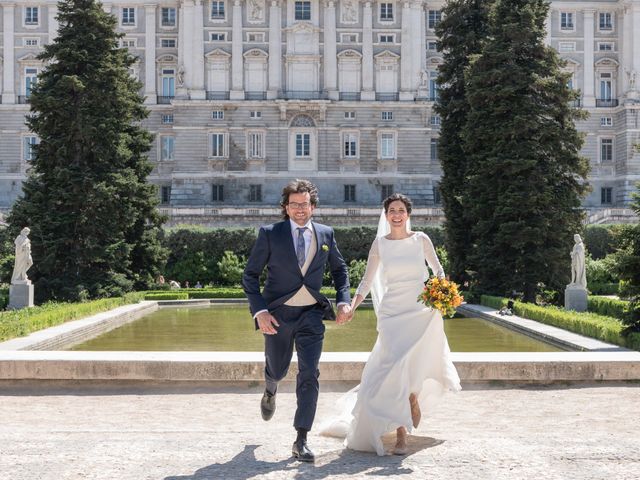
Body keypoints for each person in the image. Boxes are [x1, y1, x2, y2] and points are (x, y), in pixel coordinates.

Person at [320, 193, 461, 456]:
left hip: (420, 310)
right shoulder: (380, 244)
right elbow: (366, 279)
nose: (396, 214)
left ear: (408, 214)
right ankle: (404, 416)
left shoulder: (422, 240)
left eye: (401, 210)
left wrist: (441, 294)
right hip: (392, 313)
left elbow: (438, 271)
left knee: (411, 363)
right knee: (393, 365)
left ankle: (406, 416)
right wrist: (352, 305)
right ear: (386, 215)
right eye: (392, 210)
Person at [242, 179, 351, 463]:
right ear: (285, 207)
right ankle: (270, 388)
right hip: (278, 315)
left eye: (305, 204)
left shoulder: (326, 234)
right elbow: (249, 276)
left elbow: (341, 271)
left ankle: (301, 438)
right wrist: (260, 311)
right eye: (294, 205)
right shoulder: (270, 234)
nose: (300, 209)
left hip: (311, 315)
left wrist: (343, 300)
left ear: (313, 207)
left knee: (309, 374)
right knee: (277, 370)